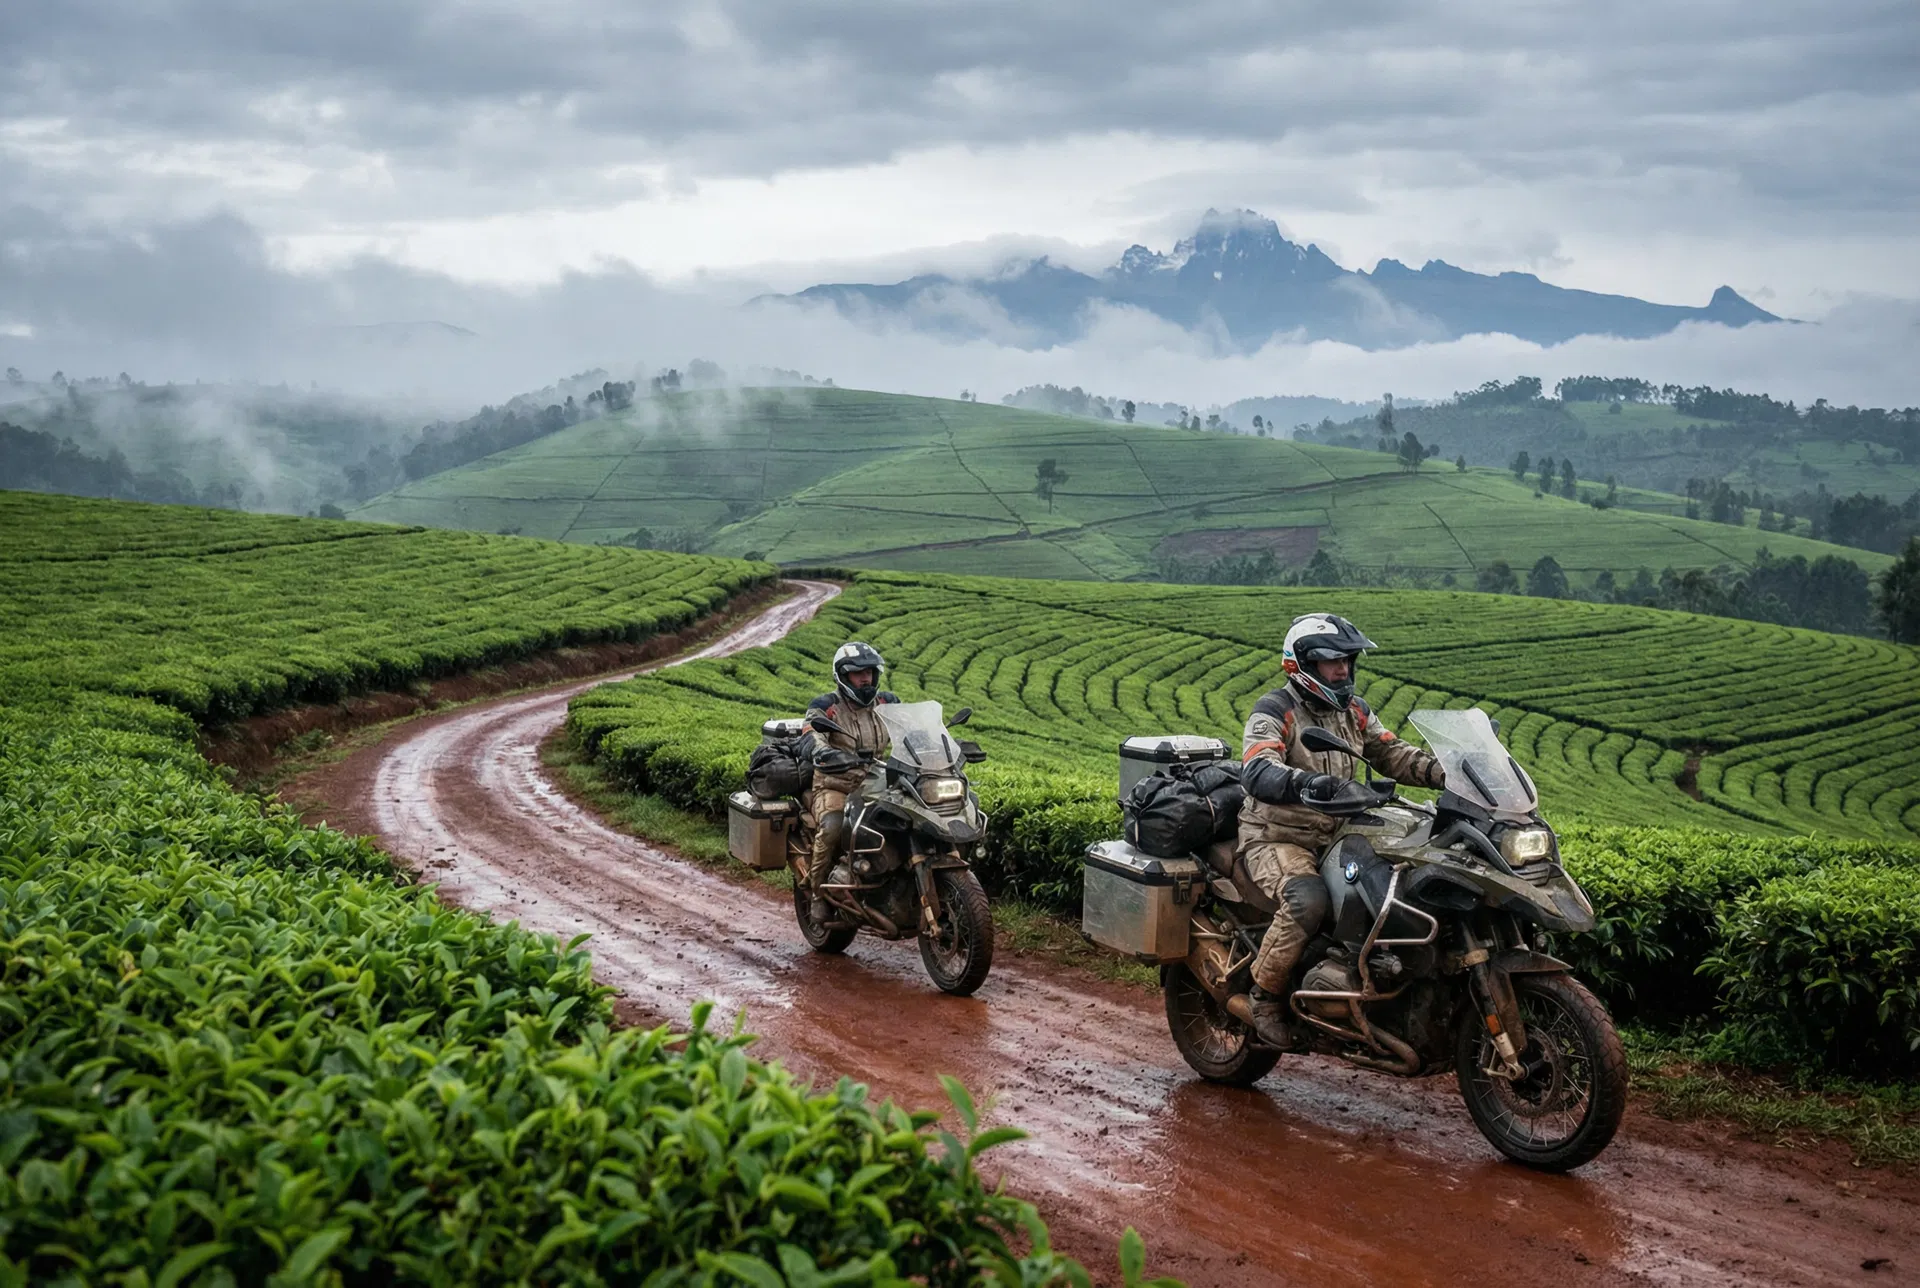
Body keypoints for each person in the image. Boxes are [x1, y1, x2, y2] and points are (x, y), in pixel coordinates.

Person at [1236, 613, 1446, 1049]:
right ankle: (1264, 996)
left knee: (1398, 885)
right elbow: (1257, 767)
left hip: (1339, 835)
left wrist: (1449, 773)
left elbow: (1393, 754)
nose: (1343, 670)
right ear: (1304, 665)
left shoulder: (1354, 710)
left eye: (1348, 661)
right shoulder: (1275, 710)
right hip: (1277, 837)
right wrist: (1305, 782)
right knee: (1307, 900)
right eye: (1333, 662)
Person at [797, 642, 897, 913]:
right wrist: (825, 753)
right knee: (832, 826)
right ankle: (816, 893)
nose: (865, 678)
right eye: (857, 673)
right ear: (843, 676)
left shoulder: (888, 703)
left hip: (877, 783)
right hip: (835, 784)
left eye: (870, 672)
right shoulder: (826, 706)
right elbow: (810, 734)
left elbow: (912, 729)